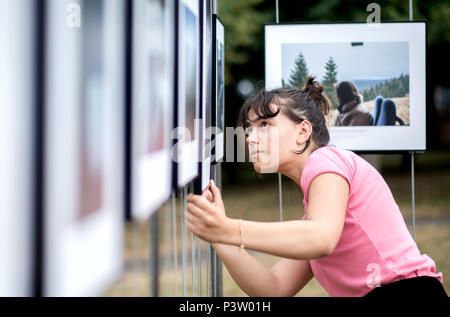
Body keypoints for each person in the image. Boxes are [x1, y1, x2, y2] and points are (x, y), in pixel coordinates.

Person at [186, 77, 446, 297]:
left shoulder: (326, 160)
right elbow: (273, 288)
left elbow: (320, 238)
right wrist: (218, 234)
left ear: (303, 132)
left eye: (265, 125)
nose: (251, 138)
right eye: (248, 130)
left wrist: (230, 229)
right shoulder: (317, 219)